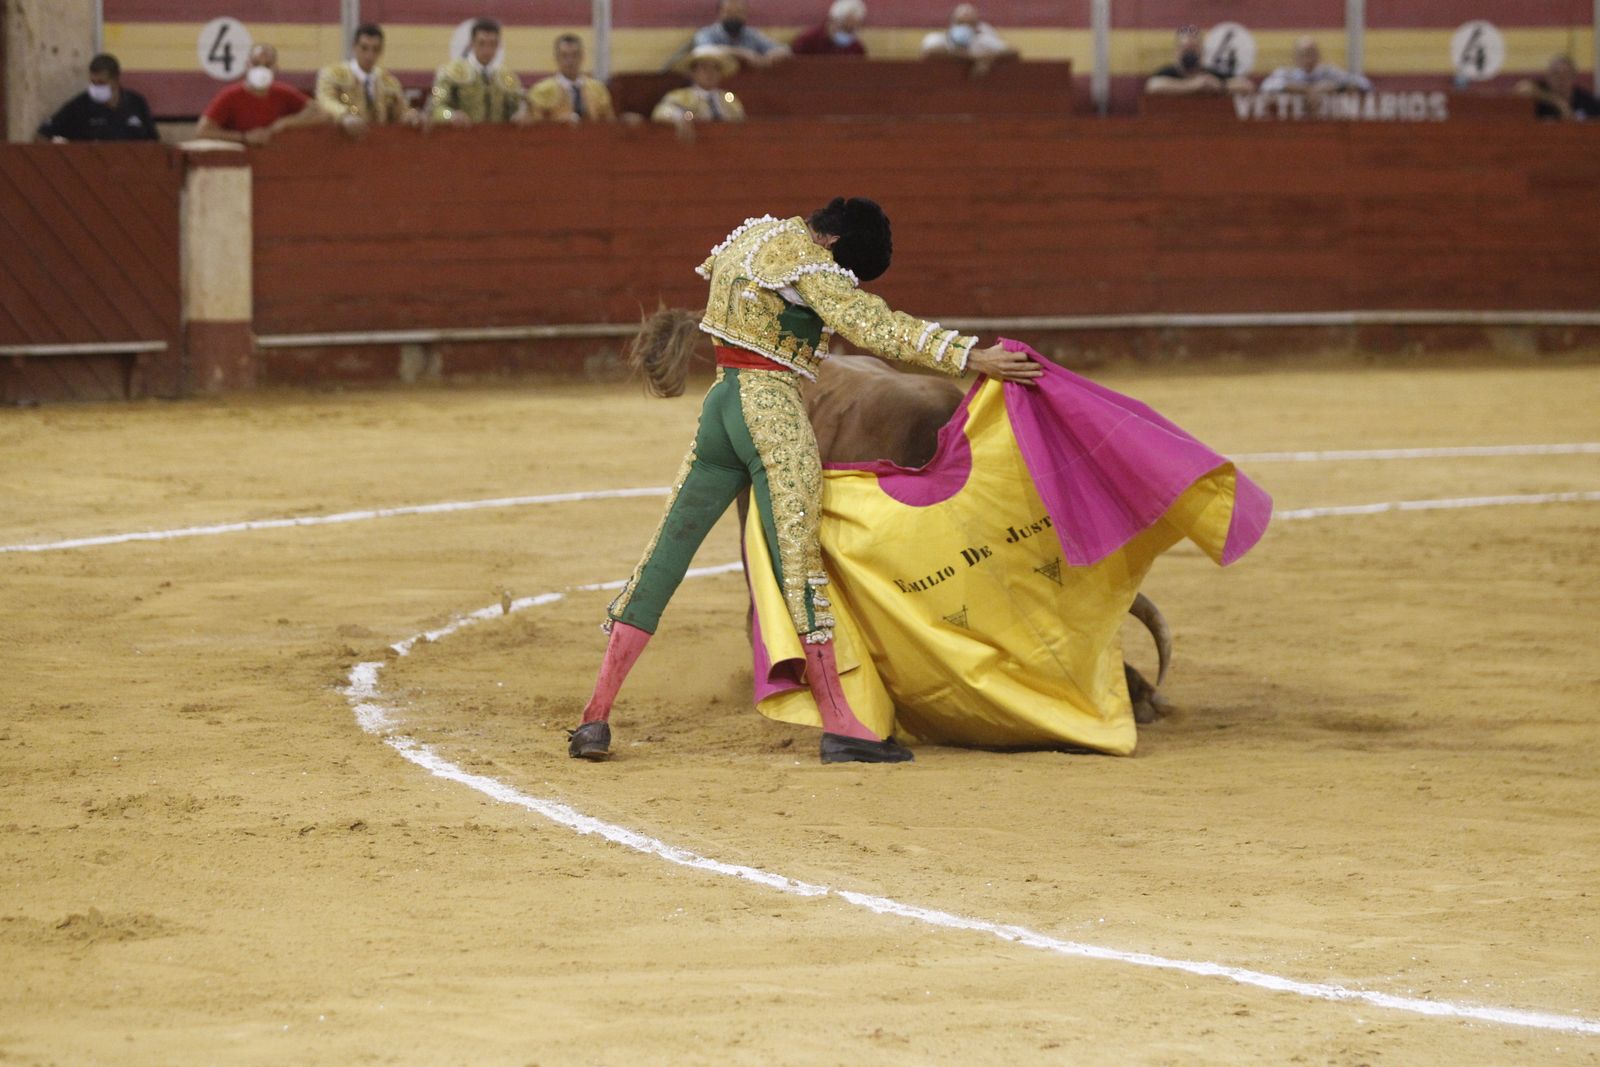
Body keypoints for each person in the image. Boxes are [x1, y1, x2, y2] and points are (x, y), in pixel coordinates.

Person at [565, 199, 1042, 765]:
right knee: (803, 569)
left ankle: (594, 718)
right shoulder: (807, 264)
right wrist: (970, 356)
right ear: (835, 245)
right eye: (849, 271)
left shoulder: (749, 237)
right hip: (771, 412)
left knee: (663, 557)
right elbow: (876, 327)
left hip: (721, 407)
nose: (846, 281)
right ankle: (842, 726)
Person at [197, 44, 322, 146]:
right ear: (247, 65)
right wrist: (244, 137)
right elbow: (202, 131)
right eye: (256, 64)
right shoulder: (230, 95)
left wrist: (286, 123)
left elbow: (322, 113)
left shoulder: (284, 93)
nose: (261, 70)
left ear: (276, 68)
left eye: (267, 65)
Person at [315, 23, 419, 135]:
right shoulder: (333, 75)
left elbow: (400, 111)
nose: (369, 55)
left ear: (381, 51)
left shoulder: (388, 82)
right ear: (354, 47)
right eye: (364, 48)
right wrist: (344, 115)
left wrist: (411, 115)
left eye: (375, 49)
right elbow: (325, 101)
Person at [37, 53, 158, 142]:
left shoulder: (136, 103)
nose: (96, 87)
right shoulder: (80, 106)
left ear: (115, 80)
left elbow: (154, 142)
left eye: (101, 83)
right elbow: (43, 135)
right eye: (93, 82)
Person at [428, 18, 527, 125]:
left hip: (498, 139)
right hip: (460, 138)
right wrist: (451, 115)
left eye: (492, 44)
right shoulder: (450, 73)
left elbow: (519, 108)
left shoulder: (507, 76)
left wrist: (520, 115)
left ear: (498, 45)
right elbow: (436, 108)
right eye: (481, 43)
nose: (487, 50)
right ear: (472, 43)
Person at [527, 34, 617, 123]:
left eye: (575, 55)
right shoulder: (541, 91)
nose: (570, 61)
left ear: (582, 57)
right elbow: (536, 127)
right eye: (564, 56)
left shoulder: (598, 89)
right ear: (556, 58)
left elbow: (609, 124)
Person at [1145, 25, 1252, 96]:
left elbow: (1246, 86)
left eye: (1194, 49)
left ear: (1202, 51)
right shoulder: (1167, 73)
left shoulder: (1210, 74)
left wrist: (1220, 86)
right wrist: (1193, 86)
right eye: (1186, 49)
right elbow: (1153, 86)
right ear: (1177, 51)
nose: (1190, 53)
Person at [652, 46, 746, 126]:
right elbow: (661, 113)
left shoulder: (730, 99)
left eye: (715, 68)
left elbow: (741, 125)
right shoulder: (680, 96)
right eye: (704, 67)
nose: (710, 72)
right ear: (692, 72)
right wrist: (679, 118)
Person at [689, 0, 790, 68]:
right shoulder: (706, 34)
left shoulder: (751, 34)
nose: (733, 17)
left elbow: (784, 50)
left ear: (745, 15)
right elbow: (704, 51)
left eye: (738, 12)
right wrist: (742, 54)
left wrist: (770, 57)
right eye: (728, 12)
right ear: (720, 14)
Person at [1259, 36, 1371, 94]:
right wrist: (1304, 90)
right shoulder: (1286, 74)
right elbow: (1265, 87)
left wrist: (1336, 87)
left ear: (1318, 56)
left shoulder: (1329, 73)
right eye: (1303, 55)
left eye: (1311, 54)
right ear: (1295, 58)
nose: (1308, 59)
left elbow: (1364, 84)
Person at [920, 4, 1016, 63]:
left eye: (969, 24)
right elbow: (930, 52)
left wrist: (990, 58)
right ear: (952, 23)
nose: (964, 28)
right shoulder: (938, 38)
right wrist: (976, 59)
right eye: (960, 23)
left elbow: (1013, 52)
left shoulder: (983, 41)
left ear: (976, 27)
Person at [1514, 55, 1597, 121]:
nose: (1561, 79)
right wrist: (1557, 102)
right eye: (1556, 74)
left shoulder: (1587, 101)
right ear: (1548, 76)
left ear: (1574, 77)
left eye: (1566, 74)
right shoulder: (1540, 95)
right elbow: (1521, 88)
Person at [791, 0, 868, 57]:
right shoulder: (808, 40)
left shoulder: (857, 48)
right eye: (844, 28)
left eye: (852, 30)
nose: (848, 34)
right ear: (832, 20)